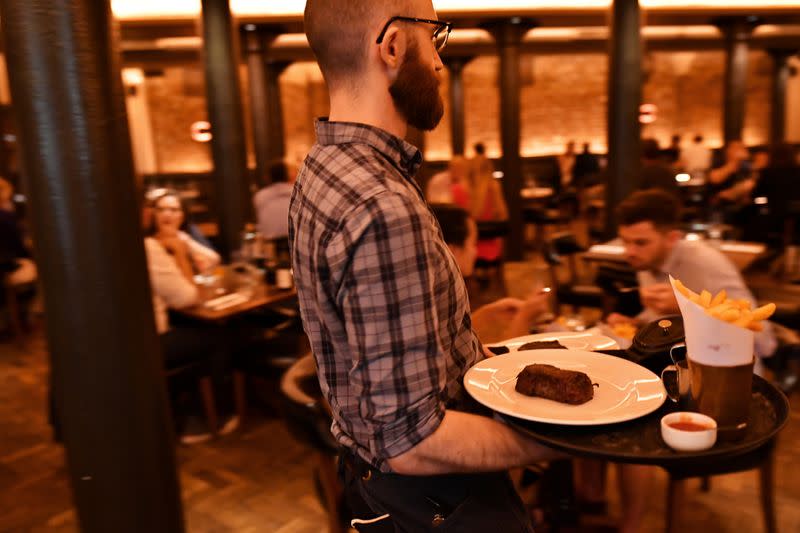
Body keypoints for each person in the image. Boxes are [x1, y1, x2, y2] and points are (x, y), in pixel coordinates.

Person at [293, 2, 558, 530]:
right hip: (437, 501)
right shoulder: (380, 205)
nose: (439, 62)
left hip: (377, 489)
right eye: (434, 35)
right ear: (392, 46)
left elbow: (365, 349)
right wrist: (572, 436)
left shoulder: (323, 168)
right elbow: (411, 440)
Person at [607, 189, 776, 359]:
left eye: (640, 243)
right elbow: (668, 324)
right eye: (625, 241)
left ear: (672, 238)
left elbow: (765, 342)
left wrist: (689, 309)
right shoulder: (646, 260)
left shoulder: (705, 264)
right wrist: (637, 323)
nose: (630, 252)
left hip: (728, 369)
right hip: (675, 359)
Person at [144, 191, 237, 443]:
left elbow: (213, 259)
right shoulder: (151, 246)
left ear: (182, 215)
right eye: (161, 209)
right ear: (150, 213)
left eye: (174, 210)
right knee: (218, 336)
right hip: (152, 341)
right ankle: (209, 414)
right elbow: (187, 297)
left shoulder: (180, 237)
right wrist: (183, 257)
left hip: (150, 331)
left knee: (205, 328)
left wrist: (181, 244)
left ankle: (197, 405)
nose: (168, 214)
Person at [430, 204, 548, 343]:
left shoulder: (432, 289)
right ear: (452, 250)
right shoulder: (441, 300)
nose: (476, 252)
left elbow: (452, 333)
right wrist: (524, 318)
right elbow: (501, 362)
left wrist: (488, 313)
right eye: (473, 243)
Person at [469, 147, 508, 263]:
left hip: (474, 247)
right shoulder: (494, 186)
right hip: (493, 244)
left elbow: (471, 218)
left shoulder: (471, 190)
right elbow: (503, 215)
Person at [254, 159, 296, 239]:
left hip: (270, 244)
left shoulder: (260, 196)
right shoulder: (296, 192)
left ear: (269, 177)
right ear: (288, 175)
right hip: (294, 241)